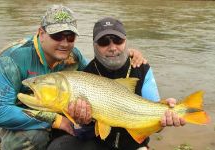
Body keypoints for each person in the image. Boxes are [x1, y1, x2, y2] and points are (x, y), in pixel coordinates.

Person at [0, 5, 146, 150]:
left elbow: (96, 76)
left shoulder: (73, 56)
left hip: (58, 110)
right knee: (33, 137)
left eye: (70, 37)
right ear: (41, 33)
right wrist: (55, 120)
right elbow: (0, 111)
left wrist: (125, 55)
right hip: (21, 119)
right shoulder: (11, 60)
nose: (64, 43)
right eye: (57, 36)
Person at [47, 17, 186, 150]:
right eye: (104, 42)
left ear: (126, 41)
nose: (112, 47)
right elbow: (80, 128)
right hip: (99, 143)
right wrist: (81, 121)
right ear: (94, 45)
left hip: (134, 144)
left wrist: (166, 117)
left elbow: (157, 122)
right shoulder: (86, 74)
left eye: (118, 40)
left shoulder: (141, 68)